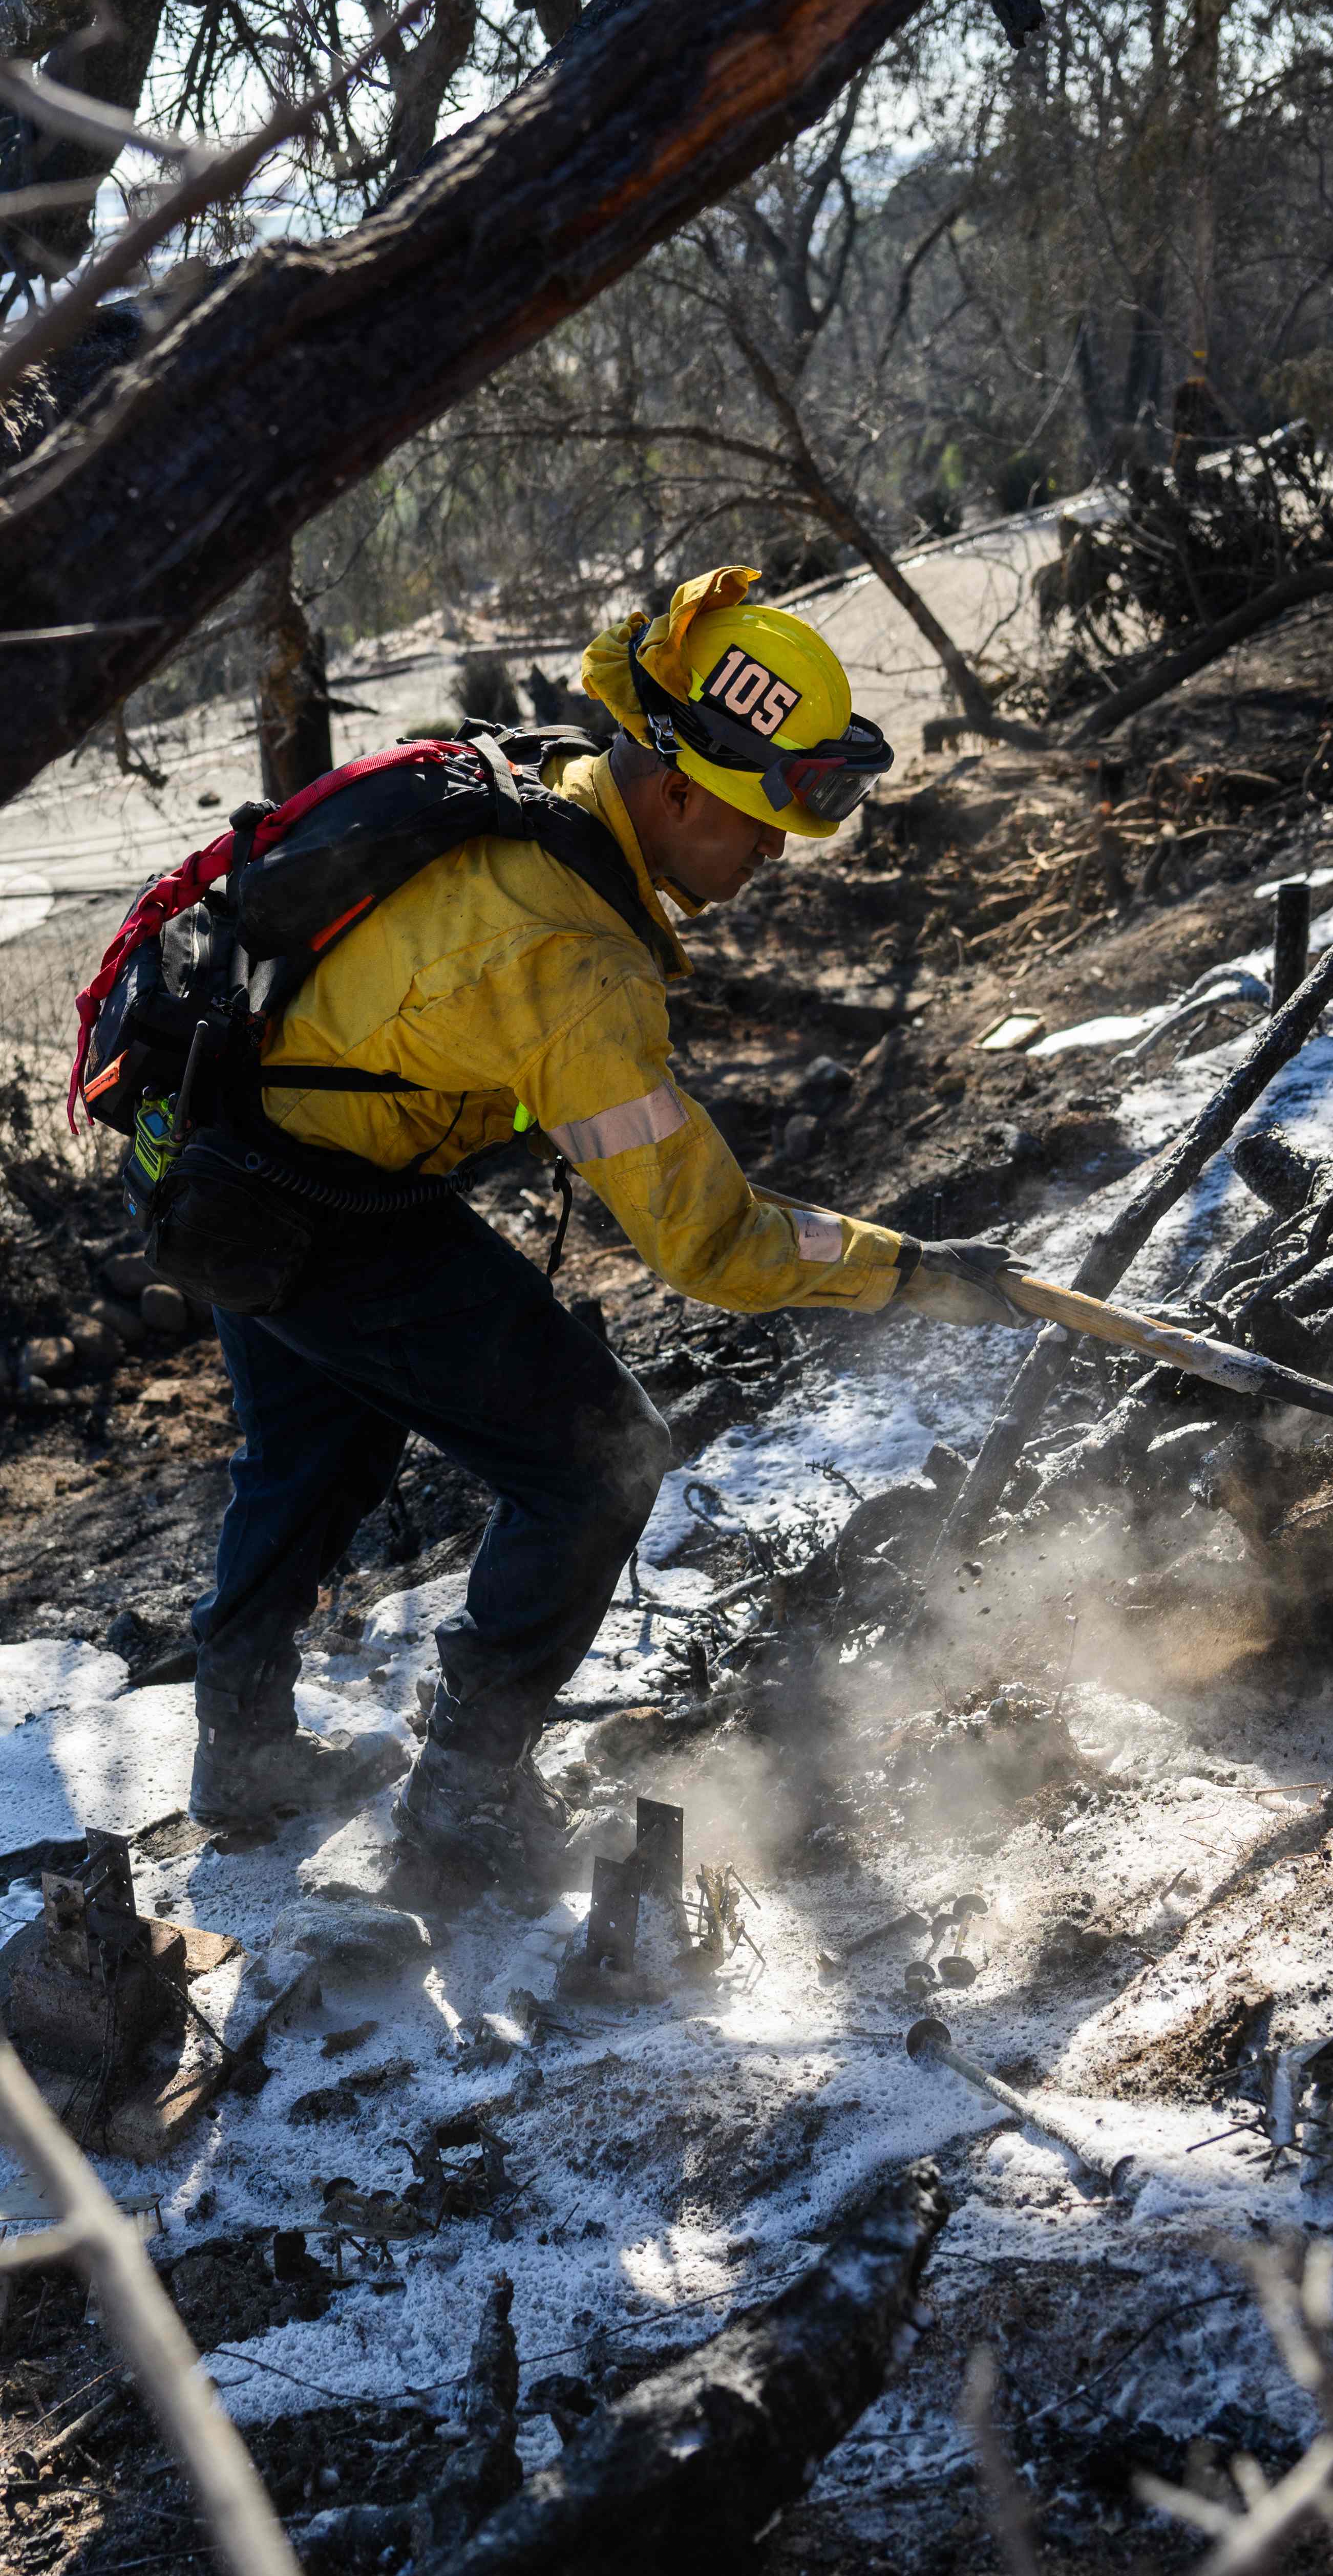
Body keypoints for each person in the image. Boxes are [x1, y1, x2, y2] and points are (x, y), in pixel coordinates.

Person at [182, 567, 1022, 1896]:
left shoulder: (552, 793)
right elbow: (710, 1247)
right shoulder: (573, 964)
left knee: (312, 1445)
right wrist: (910, 1273)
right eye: (759, 821)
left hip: (220, 1137)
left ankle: (239, 1751)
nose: (778, 853)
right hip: (300, 1194)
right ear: (679, 787)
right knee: (603, 1460)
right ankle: (463, 1794)